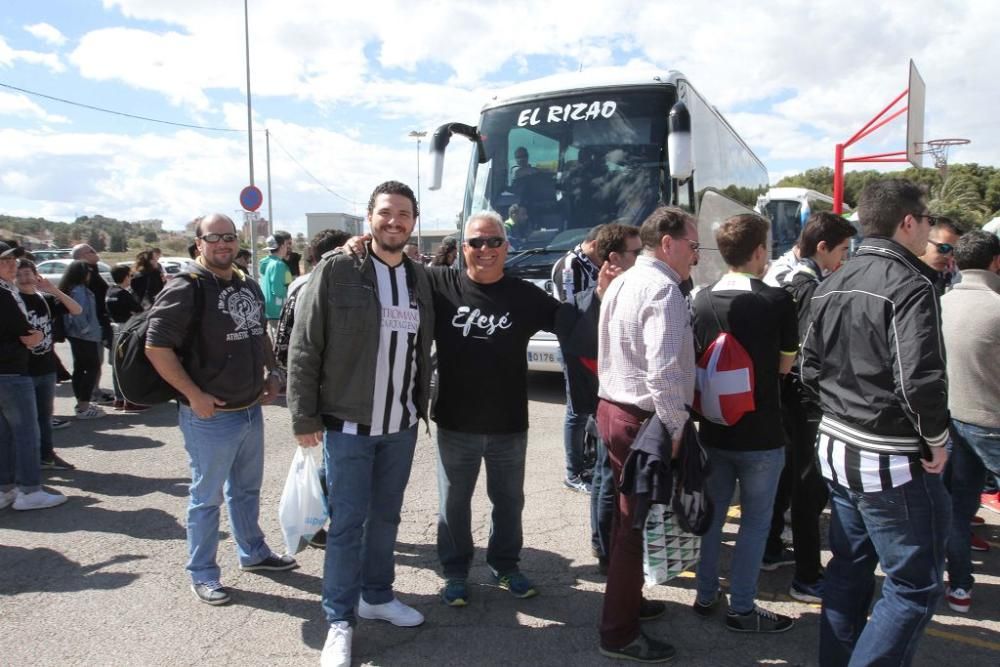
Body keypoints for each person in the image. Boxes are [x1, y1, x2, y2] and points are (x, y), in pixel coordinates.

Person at [800, 179, 950, 666]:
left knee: (849, 566)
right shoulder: (910, 284)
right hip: (887, 456)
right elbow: (918, 381)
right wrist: (937, 440)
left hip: (836, 446)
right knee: (914, 586)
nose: (928, 231)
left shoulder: (832, 279)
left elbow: (807, 367)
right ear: (908, 222)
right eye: (927, 222)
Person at [288, 182, 434, 667]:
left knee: (386, 520)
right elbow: (305, 346)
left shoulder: (420, 278)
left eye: (404, 214)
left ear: (414, 221)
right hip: (347, 426)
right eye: (386, 213)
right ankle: (339, 620)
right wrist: (303, 416)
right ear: (368, 218)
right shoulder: (336, 270)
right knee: (347, 524)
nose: (395, 222)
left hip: (401, 425)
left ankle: (377, 595)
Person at [145, 213, 296, 607]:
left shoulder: (245, 280)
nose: (223, 244)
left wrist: (273, 371)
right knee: (206, 498)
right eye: (214, 238)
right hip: (209, 417)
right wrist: (193, 394)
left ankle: (253, 552)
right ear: (199, 243)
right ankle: (203, 573)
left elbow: (257, 330)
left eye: (229, 237)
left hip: (250, 409)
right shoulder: (186, 286)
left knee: (246, 490)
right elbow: (156, 346)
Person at [430, 211, 579, 608]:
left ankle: (505, 565)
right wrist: (352, 248)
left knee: (509, 501)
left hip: (509, 424)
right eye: (476, 242)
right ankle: (456, 572)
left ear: (506, 247)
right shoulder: (439, 283)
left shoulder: (524, 295)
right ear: (463, 248)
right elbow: (388, 267)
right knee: (453, 504)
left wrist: (603, 292)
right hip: (455, 423)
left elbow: (570, 323)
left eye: (493, 241)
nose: (485, 249)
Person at [595, 206, 699, 662]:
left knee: (627, 520)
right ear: (669, 244)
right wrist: (675, 429)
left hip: (615, 411)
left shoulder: (623, 280)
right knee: (632, 527)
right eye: (693, 246)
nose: (695, 256)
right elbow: (663, 373)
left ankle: (629, 605)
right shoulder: (663, 290)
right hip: (641, 421)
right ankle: (619, 633)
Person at [691, 214, 798, 634]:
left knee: (713, 517)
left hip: (714, 428)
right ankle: (742, 607)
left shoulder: (700, 299)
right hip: (762, 431)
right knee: (755, 521)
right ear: (758, 252)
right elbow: (786, 364)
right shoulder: (777, 300)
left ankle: (703, 594)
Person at [762, 212, 855, 603]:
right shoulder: (806, 286)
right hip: (803, 399)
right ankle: (806, 576)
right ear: (822, 248)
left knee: (785, 477)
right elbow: (805, 353)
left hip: (778, 393)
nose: (845, 259)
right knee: (808, 486)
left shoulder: (781, 270)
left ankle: (769, 550)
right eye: (844, 251)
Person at [556, 223, 642, 573]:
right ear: (613, 259)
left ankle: (604, 542)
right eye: (637, 252)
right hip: (605, 406)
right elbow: (579, 348)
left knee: (610, 476)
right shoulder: (585, 300)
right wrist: (601, 299)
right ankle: (607, 551)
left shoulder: (631, 291)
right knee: (608, 477)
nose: (643, 258)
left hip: (621, 405)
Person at [940, 230, 1000, 614]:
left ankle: (959, 587)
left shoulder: (939, 303)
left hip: (950, 421)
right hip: (991, 421)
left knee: (957, 510)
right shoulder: (996, 305)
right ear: (996, 263)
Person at [0, 242, 67, 510]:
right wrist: (34, 337)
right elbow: (27, 334)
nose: (12, 265)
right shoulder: (5, 295)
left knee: (5, 434)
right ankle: (29, 490)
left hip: (10, 370)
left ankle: (6, 488)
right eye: (4, 261)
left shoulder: (9, 291)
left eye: (13, 260)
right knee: (27, 432)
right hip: (13, 371)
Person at [15, 258, 82, 471]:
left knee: (45, 417)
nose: (25, 279)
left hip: (46, 367)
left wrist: (53, 289)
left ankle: (47, 456)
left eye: (28, 274)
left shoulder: (44, 300)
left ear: (36, 276)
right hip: (22, 371)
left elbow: (76, 309)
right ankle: (25, 462)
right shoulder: (12, 301)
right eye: (20, 274)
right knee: (24, 421)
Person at [552, 224, 603, 493]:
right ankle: (573, 474)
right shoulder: (571, 266)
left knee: (591, 409)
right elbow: (573, 308)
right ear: (593, 244)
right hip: (575, 346)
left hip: (592, 346)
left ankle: (588, 463)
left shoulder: (590, 264)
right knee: (576, 411)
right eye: (603, 253)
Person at [59, 260, 105, 420]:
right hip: (85, 335)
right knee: (91, 368)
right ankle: (84, 405)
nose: (90, 275)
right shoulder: (79, 291)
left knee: (80, 368)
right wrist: (86, 329)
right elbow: (78, 313)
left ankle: (81, 403)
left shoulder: (71, 289)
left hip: (77, 335)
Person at [71, 244, 114, 404]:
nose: (95, 253)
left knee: (96, 362)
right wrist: (87, 328)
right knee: (89, 364)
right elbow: (79, 308)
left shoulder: (93, 271)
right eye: (90, 251)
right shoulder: (79, 277)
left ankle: (93, 392)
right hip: (88, 327)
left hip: (99, 322)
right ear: (80, 256)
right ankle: (88, 397)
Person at [106, 265, 146, 411]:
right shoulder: (124, 294)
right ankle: (130, 401)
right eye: (130, 276)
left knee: (117, 365)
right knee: (129, 364)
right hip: (126, 329)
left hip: (113, 328)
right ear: (125, 277)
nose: (131, 278)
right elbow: (139, 310)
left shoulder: (110, 291)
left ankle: (119, 398)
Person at [260, 231, 293, 337]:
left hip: (269, 311)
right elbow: (278, 290)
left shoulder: (267, 263)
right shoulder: (278, 265)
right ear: (282, 246)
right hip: (278, 311)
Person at [919, 217, 964, 293]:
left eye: (954, 251)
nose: (948, 256)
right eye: (944, 248)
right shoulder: (902, 276)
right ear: (924, 240)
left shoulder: (949, 278)